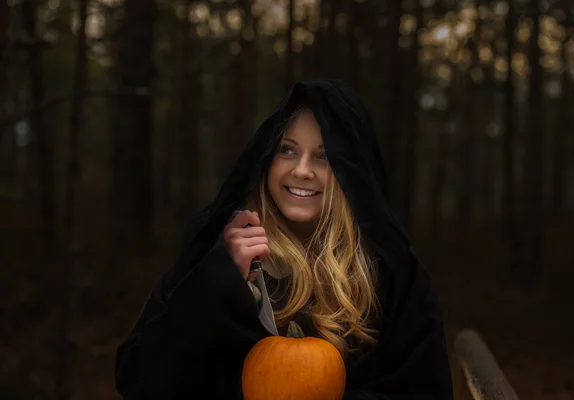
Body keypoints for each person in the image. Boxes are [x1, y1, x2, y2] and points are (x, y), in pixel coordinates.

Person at [114, 78, 454, 399]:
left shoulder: (390, 273)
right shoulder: (219, 251)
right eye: (287, 150)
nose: (302, 170)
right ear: (266, 158)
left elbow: (424, 389)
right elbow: (141, 380)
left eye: (324, 156)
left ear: (351, 169)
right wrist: (218, 283)